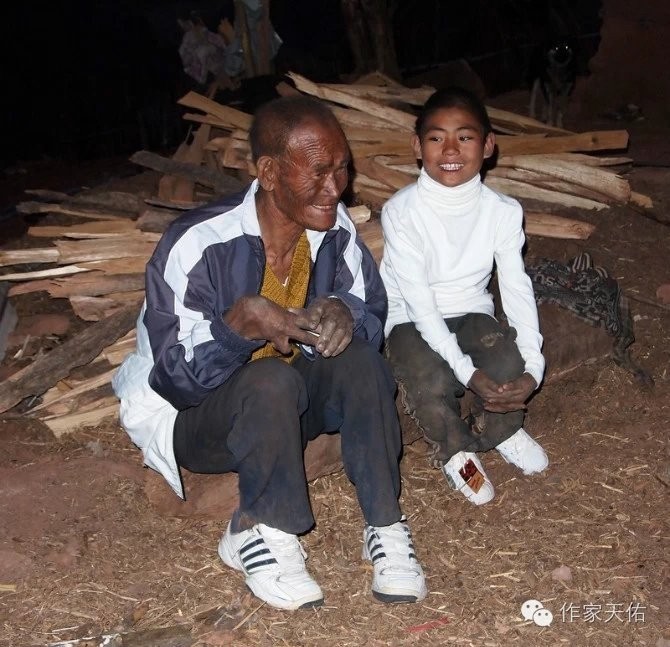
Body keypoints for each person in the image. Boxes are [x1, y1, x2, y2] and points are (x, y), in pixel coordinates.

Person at [112, 95, 426, 610]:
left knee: (361, 362)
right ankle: (259, 528)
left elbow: (371, 312)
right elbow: (174, 381)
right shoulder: (198, 244)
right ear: (269, 172)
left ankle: (385, 525)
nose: (335, 188)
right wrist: (237, 328)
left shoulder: (333, 231)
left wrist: (346, 314)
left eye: (342, 169)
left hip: (288, 406)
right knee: (269, 380)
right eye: (318, 172)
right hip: (196, 420)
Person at [380, 87, 549, 507]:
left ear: (488, 145)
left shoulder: (502, 211)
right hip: (410, 318)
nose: (451, 149)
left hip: (471, 309)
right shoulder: (402, 212)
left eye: (465, 137)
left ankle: (502, 430)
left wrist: (534, 367)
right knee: (430, 378)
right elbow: (420, 304)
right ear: (417, 147)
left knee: (507, 362)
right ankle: (455, 450)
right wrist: (466, 372)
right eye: (436, 137)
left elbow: (516, 287)